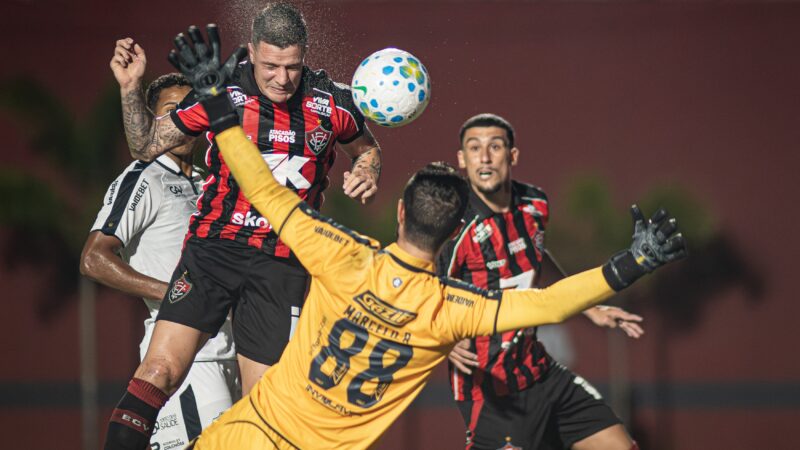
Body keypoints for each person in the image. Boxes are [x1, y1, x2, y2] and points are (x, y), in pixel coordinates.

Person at [162, 26, 687, 449]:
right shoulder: (450, 309)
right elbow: (549, 305)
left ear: (398, 214)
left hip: (244, 436)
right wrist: (631, 263)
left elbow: (262, 187)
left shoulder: (339, 254)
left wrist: (217, 103)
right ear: (454, 230)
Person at [103, 3, 382, 449]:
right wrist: (130, 88)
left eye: (292, 66)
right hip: (213, 251)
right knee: (157, 372)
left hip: (282, 266)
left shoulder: (332, 102)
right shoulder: (221, 89)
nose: (281, 78)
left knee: (264, 407)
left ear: (305, 55)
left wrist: (368, 169)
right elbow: (145, 145)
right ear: (252, 52)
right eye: (270, 65)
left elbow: (366, 148)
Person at [439, 113, 648, 450]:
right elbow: (423, 291)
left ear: (513, 155)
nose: (485, 156)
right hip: (490, 389)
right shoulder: (453, 225)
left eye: (495, 146)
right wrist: (444, 342)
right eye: (474, 148)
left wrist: (589, 305)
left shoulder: (535, 204)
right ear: (462, 160)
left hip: (540, 370)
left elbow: (536, 257)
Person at [80, 73, 239, 450]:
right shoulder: (144, 177)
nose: (182, 119)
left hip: (227, 352)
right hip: (183, 363)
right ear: (153, 119)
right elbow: (93, 258)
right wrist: (175, 294)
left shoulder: (209, 182)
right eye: (171, 111)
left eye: (190, 109)